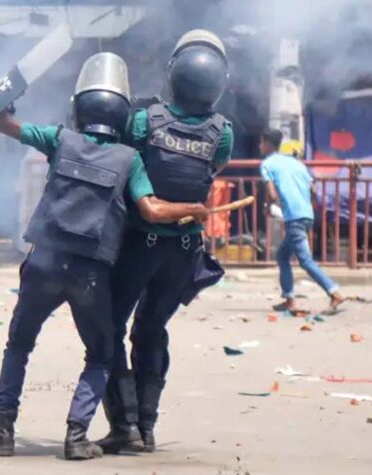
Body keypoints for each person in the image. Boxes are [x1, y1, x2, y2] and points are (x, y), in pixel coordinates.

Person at [0, 52, 210, 461]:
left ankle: (3, 432)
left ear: (79, 107)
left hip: (43, 264)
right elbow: (152, 210)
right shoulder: (129, 158)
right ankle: (76, 435)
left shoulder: (59, 138)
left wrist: (6, 94)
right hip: (89, 273)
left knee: (19, 345)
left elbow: (2, 123)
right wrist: (192, 209)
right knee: (101, 354)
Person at [98, 30, 234, 454]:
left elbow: (124, 160)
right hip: (184, 252)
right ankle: (148, 426)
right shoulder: (222, 133)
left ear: (175, 71)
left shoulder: (143, 120)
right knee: (152, 330)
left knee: (110, 327)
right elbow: (212, 169)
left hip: (139, 243)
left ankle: (124, 425)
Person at [259, 128, 345, 312]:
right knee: (283, 256)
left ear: (267, 144)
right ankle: (289, 299)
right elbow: (313, 189)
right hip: (306, 214)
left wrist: (268, 207)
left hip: (294, 217)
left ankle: (334, 292)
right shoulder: (296, 163)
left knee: (305, 260)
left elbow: (272, 194)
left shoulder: (267, 164)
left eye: (261, 142)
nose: (260, 146)